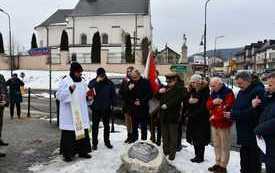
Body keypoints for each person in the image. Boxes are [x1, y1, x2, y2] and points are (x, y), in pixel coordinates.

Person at [224, 71, 265, 173]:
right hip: (243, 130)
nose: (239, 86)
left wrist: (234, 114)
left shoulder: (258, 91)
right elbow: (237, 106)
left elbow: (254, 114)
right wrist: (232, 112)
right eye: (237, 84)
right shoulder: (242, 91)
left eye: (241, 83)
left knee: (253, 159)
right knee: (244, 156)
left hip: (252, 131)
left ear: (248, 81)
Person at [56, 62, 92, 162]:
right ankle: (68, 154)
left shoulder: (83, 82)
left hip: (81, 113)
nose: (80, 74)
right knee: (69, 135)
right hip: (70, 115)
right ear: (73, 71)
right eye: (78, 72)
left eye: (80, 72)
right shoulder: (66, 81)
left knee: (82, 133)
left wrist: (89, 96)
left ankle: (83, 151)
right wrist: (69, 90)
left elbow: (87, 95)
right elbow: (59, 96)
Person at [207, 77, 235, 173]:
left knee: (224, 145)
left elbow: (227, 107)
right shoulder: (214, 93)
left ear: (219, 84)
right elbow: (208, 105)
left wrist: (215, 115)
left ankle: (223, 166)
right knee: (216, 144)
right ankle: (218, 163)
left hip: (224, 123)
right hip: (214, 123)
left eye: (213, 86)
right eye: (211, 86)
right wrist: (213, 102)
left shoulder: (228, 92)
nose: (211, 88)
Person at [88, 67, 116, 150]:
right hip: (96, 108)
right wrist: (96, 82)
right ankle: (94, 143)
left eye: (102, 74)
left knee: (106, 126)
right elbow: (89, 89)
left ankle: (107, 142)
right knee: (95, 127)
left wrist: (113, 104)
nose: (101, 76)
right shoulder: (93, 82)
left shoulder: (109, 83)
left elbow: (113, 95)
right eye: (99, 75)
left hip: (106, 108)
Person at [158, 72, 183, 160]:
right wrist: (159, 92)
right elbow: (158, 98)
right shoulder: (165, 88)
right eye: (167, 82)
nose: (168, 83)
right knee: (164, 135)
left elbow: (177, 99)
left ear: (175, 80)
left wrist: (168, 105)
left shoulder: (180, 88)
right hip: (164, 115)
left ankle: (172, 154)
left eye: (170, 82)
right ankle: (166, 151)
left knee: (173, 136)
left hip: (173, 115)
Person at [186, 74, 211, 163]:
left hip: (201, 119)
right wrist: (189, 102)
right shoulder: (192, 91)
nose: (192, 84)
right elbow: (187, 102)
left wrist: (193, 107)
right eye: (191, 82)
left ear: (199, 82)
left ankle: (200, 157)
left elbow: (204, 107)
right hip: (193, 118)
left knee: (200, 138)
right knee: (194, 138)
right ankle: (197, 155)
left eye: (194, 82)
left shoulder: (205, 91)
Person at [255, 72, 275, 173]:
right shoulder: (270, 98)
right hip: (269, 143)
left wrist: (259, 129)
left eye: (270, 85)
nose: (267, 87)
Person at [128, 69, 152, 142]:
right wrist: (129, 90)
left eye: (135, 77)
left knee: (143, 126)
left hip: (143, 108)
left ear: (138, 75)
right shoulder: (130, 82)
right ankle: (134, 139)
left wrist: (141, 102)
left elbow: (149, 94)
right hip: (134, 108)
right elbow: (127, 96)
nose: (133, 79)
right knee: (134, 126)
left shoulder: (145, 82)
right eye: (132, 77)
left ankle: (143, 140)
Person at [119, 66, 134, 143]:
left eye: (130, 71)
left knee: (132, 121)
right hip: (126, 104)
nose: (129, 73)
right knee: (127, 121)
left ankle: (132, 136)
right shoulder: (124, 81)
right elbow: (120, 92)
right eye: (128, 71)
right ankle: (128, 136)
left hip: (132, 105)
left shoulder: (135, 81)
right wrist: (127, 89)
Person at [150, 70, 162, 146]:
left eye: (155, 74)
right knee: (151, 124)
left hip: (159, 106)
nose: (154, 75)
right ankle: (152, 138)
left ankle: (158, 139)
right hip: (151, 105)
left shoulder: (161, 85)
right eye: (153, 74)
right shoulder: (149, 84)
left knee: (159, 124)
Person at [0, 74, 9, 157]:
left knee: (0, 124)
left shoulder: (1, 76)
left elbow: (4, 89)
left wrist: (6, 100)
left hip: (1, 104)